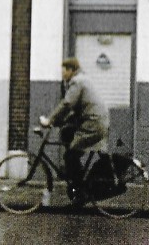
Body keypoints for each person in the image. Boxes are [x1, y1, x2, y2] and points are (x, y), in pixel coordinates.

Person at [40, 57, 109, 198]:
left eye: (64, 70)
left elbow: (67, 104)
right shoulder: (82, 80)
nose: (62, 74)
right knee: (67, 132)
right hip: (93, 122)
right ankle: (76, 179)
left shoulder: (77, 82)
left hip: (93, 125)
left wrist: (49, 120)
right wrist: (59, 122)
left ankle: (80, 191)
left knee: (70, 155)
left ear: (71, 70)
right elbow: (74, 110)